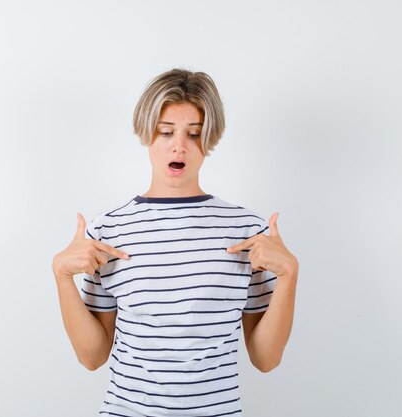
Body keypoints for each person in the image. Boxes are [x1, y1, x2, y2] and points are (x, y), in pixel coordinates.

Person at [52, 68, 299, 416]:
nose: (179, 145)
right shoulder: (109, 230)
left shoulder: (248, 231)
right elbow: (92, 357)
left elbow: (266, 358)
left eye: (194, 134)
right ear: (146, 134)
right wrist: (61, 276)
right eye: (166, 132)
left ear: (209, 139)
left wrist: (289, 275)